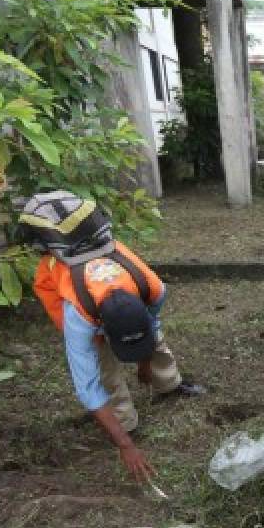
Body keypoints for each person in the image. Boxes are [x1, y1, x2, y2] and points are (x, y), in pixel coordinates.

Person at [26, 192, 205, 483]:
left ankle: (168, 383)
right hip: (64, 295)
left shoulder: (153, 289)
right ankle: (123, 421)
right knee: (102, 366)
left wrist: (145, 364)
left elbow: (151, 325)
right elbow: (87, 388)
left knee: (156, 343)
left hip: (118, 294)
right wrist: (126, 445)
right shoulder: (79, 321)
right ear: (101, 326)